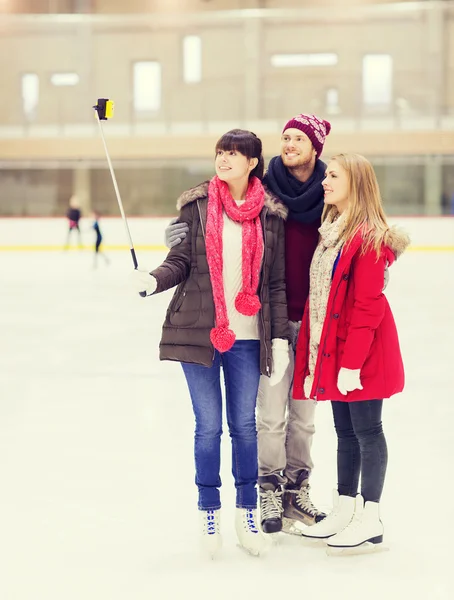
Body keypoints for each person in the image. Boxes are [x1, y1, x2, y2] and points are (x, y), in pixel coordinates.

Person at [165, 114, 331, 535]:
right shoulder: (268, 188)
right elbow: (205, 221)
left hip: (313, 317)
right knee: (268, 417)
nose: (290, 144)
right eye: (286, 137)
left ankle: (298, 490)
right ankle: (268, 489)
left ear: (316, 146)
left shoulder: (331, 192)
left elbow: (354, 231)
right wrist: (178, 236)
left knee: (305, 418)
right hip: (266, 317)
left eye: (300, 138)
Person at [131, 129, 290, 558]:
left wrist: (279, 338)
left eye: (234, 154)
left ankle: (246, 513)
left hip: (248, 337)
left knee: (244, 428)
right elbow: (179, 261)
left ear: (253, 162)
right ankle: (209, 510)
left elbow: (275, 284)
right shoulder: (196, 208)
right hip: (199, 332)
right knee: (208, 428)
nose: (224, 159)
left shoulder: (271, 217)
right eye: (220, 152)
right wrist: (153, 279)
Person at [292, 153, 410, 551]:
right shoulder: (333, 232)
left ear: (355, 183)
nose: (325, 181)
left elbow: (368, 305)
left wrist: (352, 363)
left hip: (362, 354)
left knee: (368, 431)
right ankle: (344, 509)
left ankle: (370, 516)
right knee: (345, 431)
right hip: (335, 350)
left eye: (333, 176)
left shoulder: (370, 236)